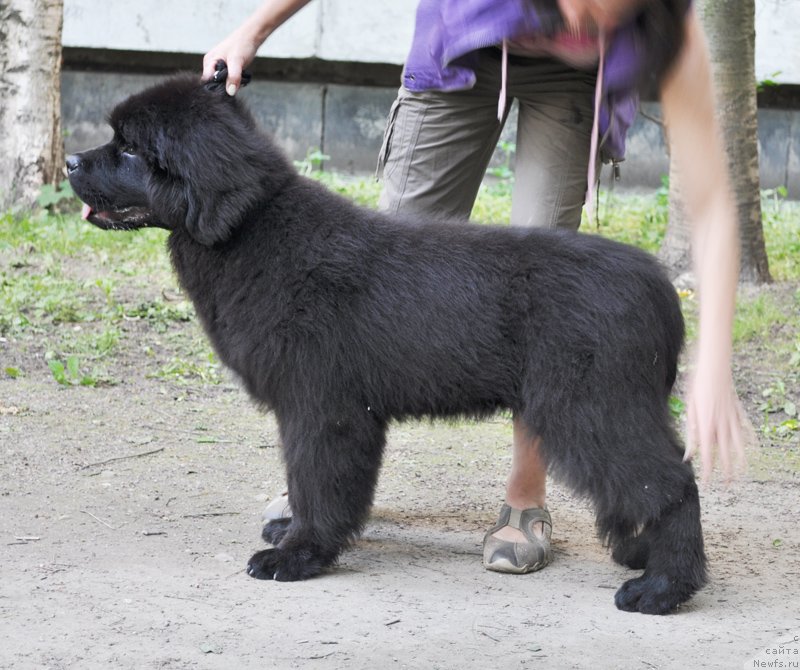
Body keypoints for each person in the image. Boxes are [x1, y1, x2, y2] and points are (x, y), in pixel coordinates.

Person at [203, 0, 748, 575]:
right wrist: (252, 30)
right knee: (373, 286)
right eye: (584, 3)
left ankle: (524, 498)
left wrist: (713, 366)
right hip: (460, 45)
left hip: (572, 84)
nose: (591, 21)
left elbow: (713, 206)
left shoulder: (665, 22)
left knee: (550, 300)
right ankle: (321, 495)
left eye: (616, 12)